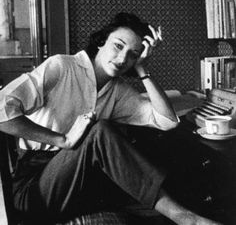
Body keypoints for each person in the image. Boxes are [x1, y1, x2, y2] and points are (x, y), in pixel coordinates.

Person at [0, 12, 221, 225]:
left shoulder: (117, 91)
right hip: (34, 189)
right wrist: (61, 140)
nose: (123, 58)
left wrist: (142, 69)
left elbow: (167, 121)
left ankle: (184, 215)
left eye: (133, 54)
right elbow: (2, 110)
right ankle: (184, 218)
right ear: (101, 41)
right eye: (118, 45)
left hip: (79, 183)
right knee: (101, 131)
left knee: (151, 197)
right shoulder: (61, 67)